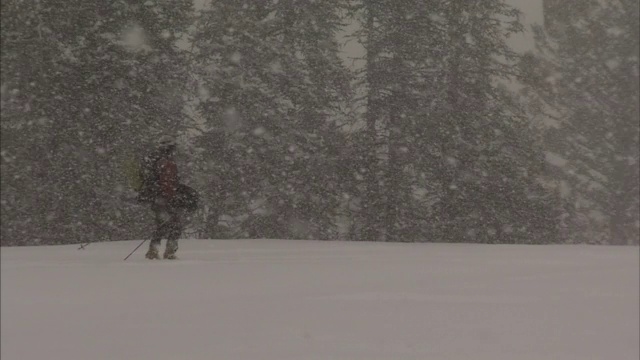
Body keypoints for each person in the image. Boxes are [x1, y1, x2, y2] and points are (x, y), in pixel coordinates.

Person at [144, 136, 184, 260]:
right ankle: (168, 252)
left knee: (161, 225)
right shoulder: (166, 162)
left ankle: (153, 251)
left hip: (157, 197)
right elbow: (168, 182)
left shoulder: (153, 160)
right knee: (175, 225)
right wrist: (173, 196)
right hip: (166, 198)